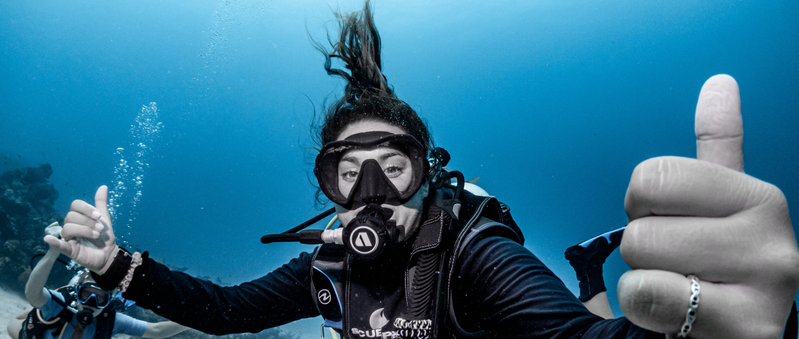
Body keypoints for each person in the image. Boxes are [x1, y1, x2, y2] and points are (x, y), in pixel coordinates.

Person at [46, 2, 799, 338]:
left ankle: (586, 270)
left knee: (596, 313)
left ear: (427, 174)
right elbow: (225, 309)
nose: (371, 193)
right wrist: (114, 265)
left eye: (392, 166)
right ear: (327, 188)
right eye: (349, 172)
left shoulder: (473, 252)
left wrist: (723, 329)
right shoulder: (328, 266)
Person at [6, 222, 188, 339]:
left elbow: (157, 331)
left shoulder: (111, 320)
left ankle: (39, 310)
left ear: (109, 301)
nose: (91, 303)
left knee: (41, 305)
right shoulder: (60, 304)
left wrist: (200, 320)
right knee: (15, 324)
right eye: (86, 295)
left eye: (100, 298)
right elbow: (33, 293)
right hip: (27, 334)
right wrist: (54, 250)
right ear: (77, 294)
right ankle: (35, 313)